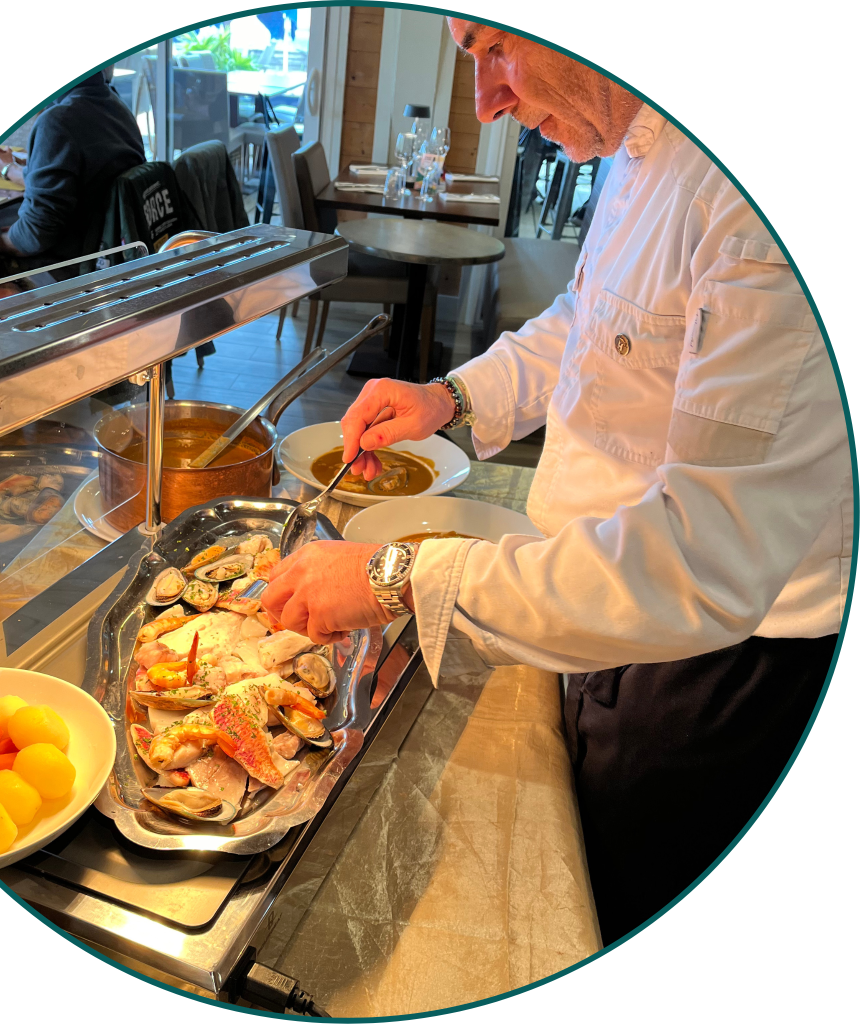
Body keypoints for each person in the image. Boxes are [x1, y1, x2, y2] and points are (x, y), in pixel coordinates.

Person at [261, 20, 851, 945]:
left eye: (497, 47)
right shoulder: (637, 145)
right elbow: (588, 321)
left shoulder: (751, 203)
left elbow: (701, 563)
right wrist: (450, 398)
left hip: (711, 665)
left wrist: (393, 577)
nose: (488, 101)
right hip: (593, 599)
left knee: (612, 909)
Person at [0, 68, 145, 288]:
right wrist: (12, 171)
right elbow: (70, 185)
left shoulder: (57, 121)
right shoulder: (116, 106)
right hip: (107, 250)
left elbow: (35, 235)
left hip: (72, 268)